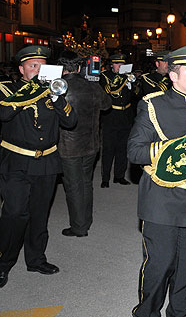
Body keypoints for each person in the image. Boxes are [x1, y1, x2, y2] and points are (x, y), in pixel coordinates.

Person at [128, 43, 186, 317]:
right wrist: (176, 149)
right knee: (159, 267)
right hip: (162, 201)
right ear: (173, 76)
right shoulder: (153, 105)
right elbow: (134, 151)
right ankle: (146, 313)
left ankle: (180, 314)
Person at [0, 46, 77, 289]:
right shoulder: (7, 89)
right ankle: (3, 263)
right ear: (21, 69)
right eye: (32, 66)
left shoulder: (53, 91)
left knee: (39, 214)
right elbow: (4, 113)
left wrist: (56, 98)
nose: (38, 70)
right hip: (16, 161)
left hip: (46, 162)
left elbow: (70, 121)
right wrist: (33, 90)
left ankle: (35, 259)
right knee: (14, 213)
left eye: (41, 66)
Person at [58, 51, 112, 237]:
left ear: (61, 69)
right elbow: (107, 105)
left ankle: (79, 226)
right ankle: (85, 221)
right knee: (85, 183)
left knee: (73, 186)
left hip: (68, 146)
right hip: (91, 144)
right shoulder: (92, 86)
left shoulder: (58, 87)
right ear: (79, 67)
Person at [99, 53, 135, 187]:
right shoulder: (105, 76)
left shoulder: (128, 77)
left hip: (125, 116)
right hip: (111, 116)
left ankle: (119, 176)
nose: (120, 66)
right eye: (117, 64)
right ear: (112, 65)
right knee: (108, 149)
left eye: (122, 64)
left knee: (122, 149)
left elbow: (135, 95)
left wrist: (131, 84)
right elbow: (108, 91)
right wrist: (122, 80)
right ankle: (105, 178)